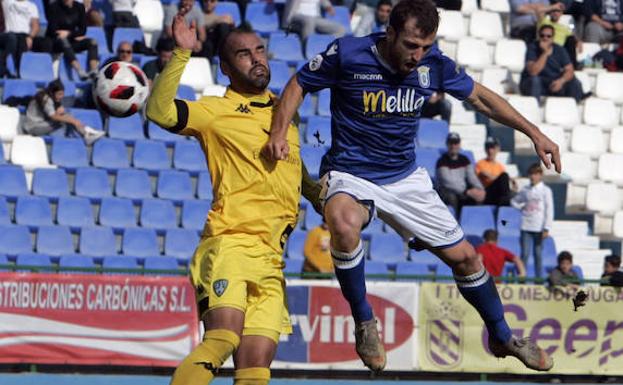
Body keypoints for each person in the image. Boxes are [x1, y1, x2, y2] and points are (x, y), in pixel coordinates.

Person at [264, 0, 559, 373]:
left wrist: (534, 133)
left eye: (425, 47)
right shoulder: (349, 53)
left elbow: (481, 98)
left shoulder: (434, 63)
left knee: (467, 258)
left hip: (405, 177)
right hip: (351, 172)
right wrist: (278, 131)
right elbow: (299, 83)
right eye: (410, 46)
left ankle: (502, 335)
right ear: (390, 32)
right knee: (341, 221)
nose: (418, 55)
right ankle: (365, 321)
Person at [145, 11, 320, 385]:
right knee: (223, 338)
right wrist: (181, 53)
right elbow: (157, 110)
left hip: (272, 259)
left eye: (260, 50)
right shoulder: (216, 112)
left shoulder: (283, 112)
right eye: (244, 54)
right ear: (225, 68)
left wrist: (323, 199)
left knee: (255, 371)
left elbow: (295, 172)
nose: (257, 59)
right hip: (231, 245)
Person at [23, 79, 105, 144]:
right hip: (33, 127)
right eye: (59, 94)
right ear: (52, 92)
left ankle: (87, 132)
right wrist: (73, 121)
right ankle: (86, 134)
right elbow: (53, 116)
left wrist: (73, 120)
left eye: (62, 94)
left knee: (66, 116)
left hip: (42, 123)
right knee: (64, 121)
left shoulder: (53, 99)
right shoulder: (45, 98)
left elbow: (61, 113)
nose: (61, 97)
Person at [511, 163, 553, 281]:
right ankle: (522, 281)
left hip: (539, 227)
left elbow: (549, 209)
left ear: (540, 175)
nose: (532, 177)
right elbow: (514, 201)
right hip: (526, 226)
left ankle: (538, 281)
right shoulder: (525, 190)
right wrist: (522, 207)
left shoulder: (546, 190)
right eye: (531, 174)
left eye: (535, 174)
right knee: (524, 254)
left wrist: (547, 227)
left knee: (538, 255)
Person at [520, 25, 584, 102]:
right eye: (542, 35)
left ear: (553, 38)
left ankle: (573, 107)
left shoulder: (560, 50)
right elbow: (533, 72)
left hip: (552, 82)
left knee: (574, 82)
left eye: (548, 36)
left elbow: (570, 70)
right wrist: (545, 53)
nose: (545, 38)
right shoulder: (532, 48)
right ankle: (534, 108)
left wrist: (561, 81)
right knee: (535, 80)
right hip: (534, 82)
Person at [40, 0, 99, 80]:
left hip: (71, 38)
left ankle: (94, 71)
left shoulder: (79, 7)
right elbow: (53, 29)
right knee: (64, 41)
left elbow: (83, 30)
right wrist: (74, 34)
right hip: (56, 41)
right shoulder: (54, 7)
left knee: (92, 42)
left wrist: (69, 33)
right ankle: (79, 70)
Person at [436, 132, 485, 215]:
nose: (453, 146)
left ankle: (473, 222)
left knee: (477, 196)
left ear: (459, 144)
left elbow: (472, 177)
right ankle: (454, 222)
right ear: (447, 144)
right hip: (448, 191)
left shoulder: (465, 160)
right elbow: (448, 183)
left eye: (456, 143)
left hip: (463, 191)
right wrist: (466, 191)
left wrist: (480, 190)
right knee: (452, 197)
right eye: (451, 143)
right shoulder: (441, 161)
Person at [0, 0, 39, 78]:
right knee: (13, 38)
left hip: (25, 36)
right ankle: (9, 69)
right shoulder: (7, 2)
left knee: (45, 43)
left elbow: (36, 26)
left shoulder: (32, 6)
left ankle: (18, 72)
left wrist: (30, 37)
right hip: (9, 34)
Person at [537, 0, 581, 69]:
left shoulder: (564, 28)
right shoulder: (545, 22)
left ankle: (573, 67)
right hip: (544, 49)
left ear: (561, 13)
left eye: (558, 11)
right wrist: (553, 6)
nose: (555, 13)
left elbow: (572, 35)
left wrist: (578, 41)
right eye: (553, 11)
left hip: (559, 53)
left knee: (570, 40)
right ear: (550, 12)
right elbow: (539, 11)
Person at [476, 137, 512, 206]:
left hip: (498, 193)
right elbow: (485, 175)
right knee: (504, 177)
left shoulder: (500, 166)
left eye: (492, 148)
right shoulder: (480, 164)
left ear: (497, 149)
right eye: (488, 148)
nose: (490, 151)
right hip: (487, 193)